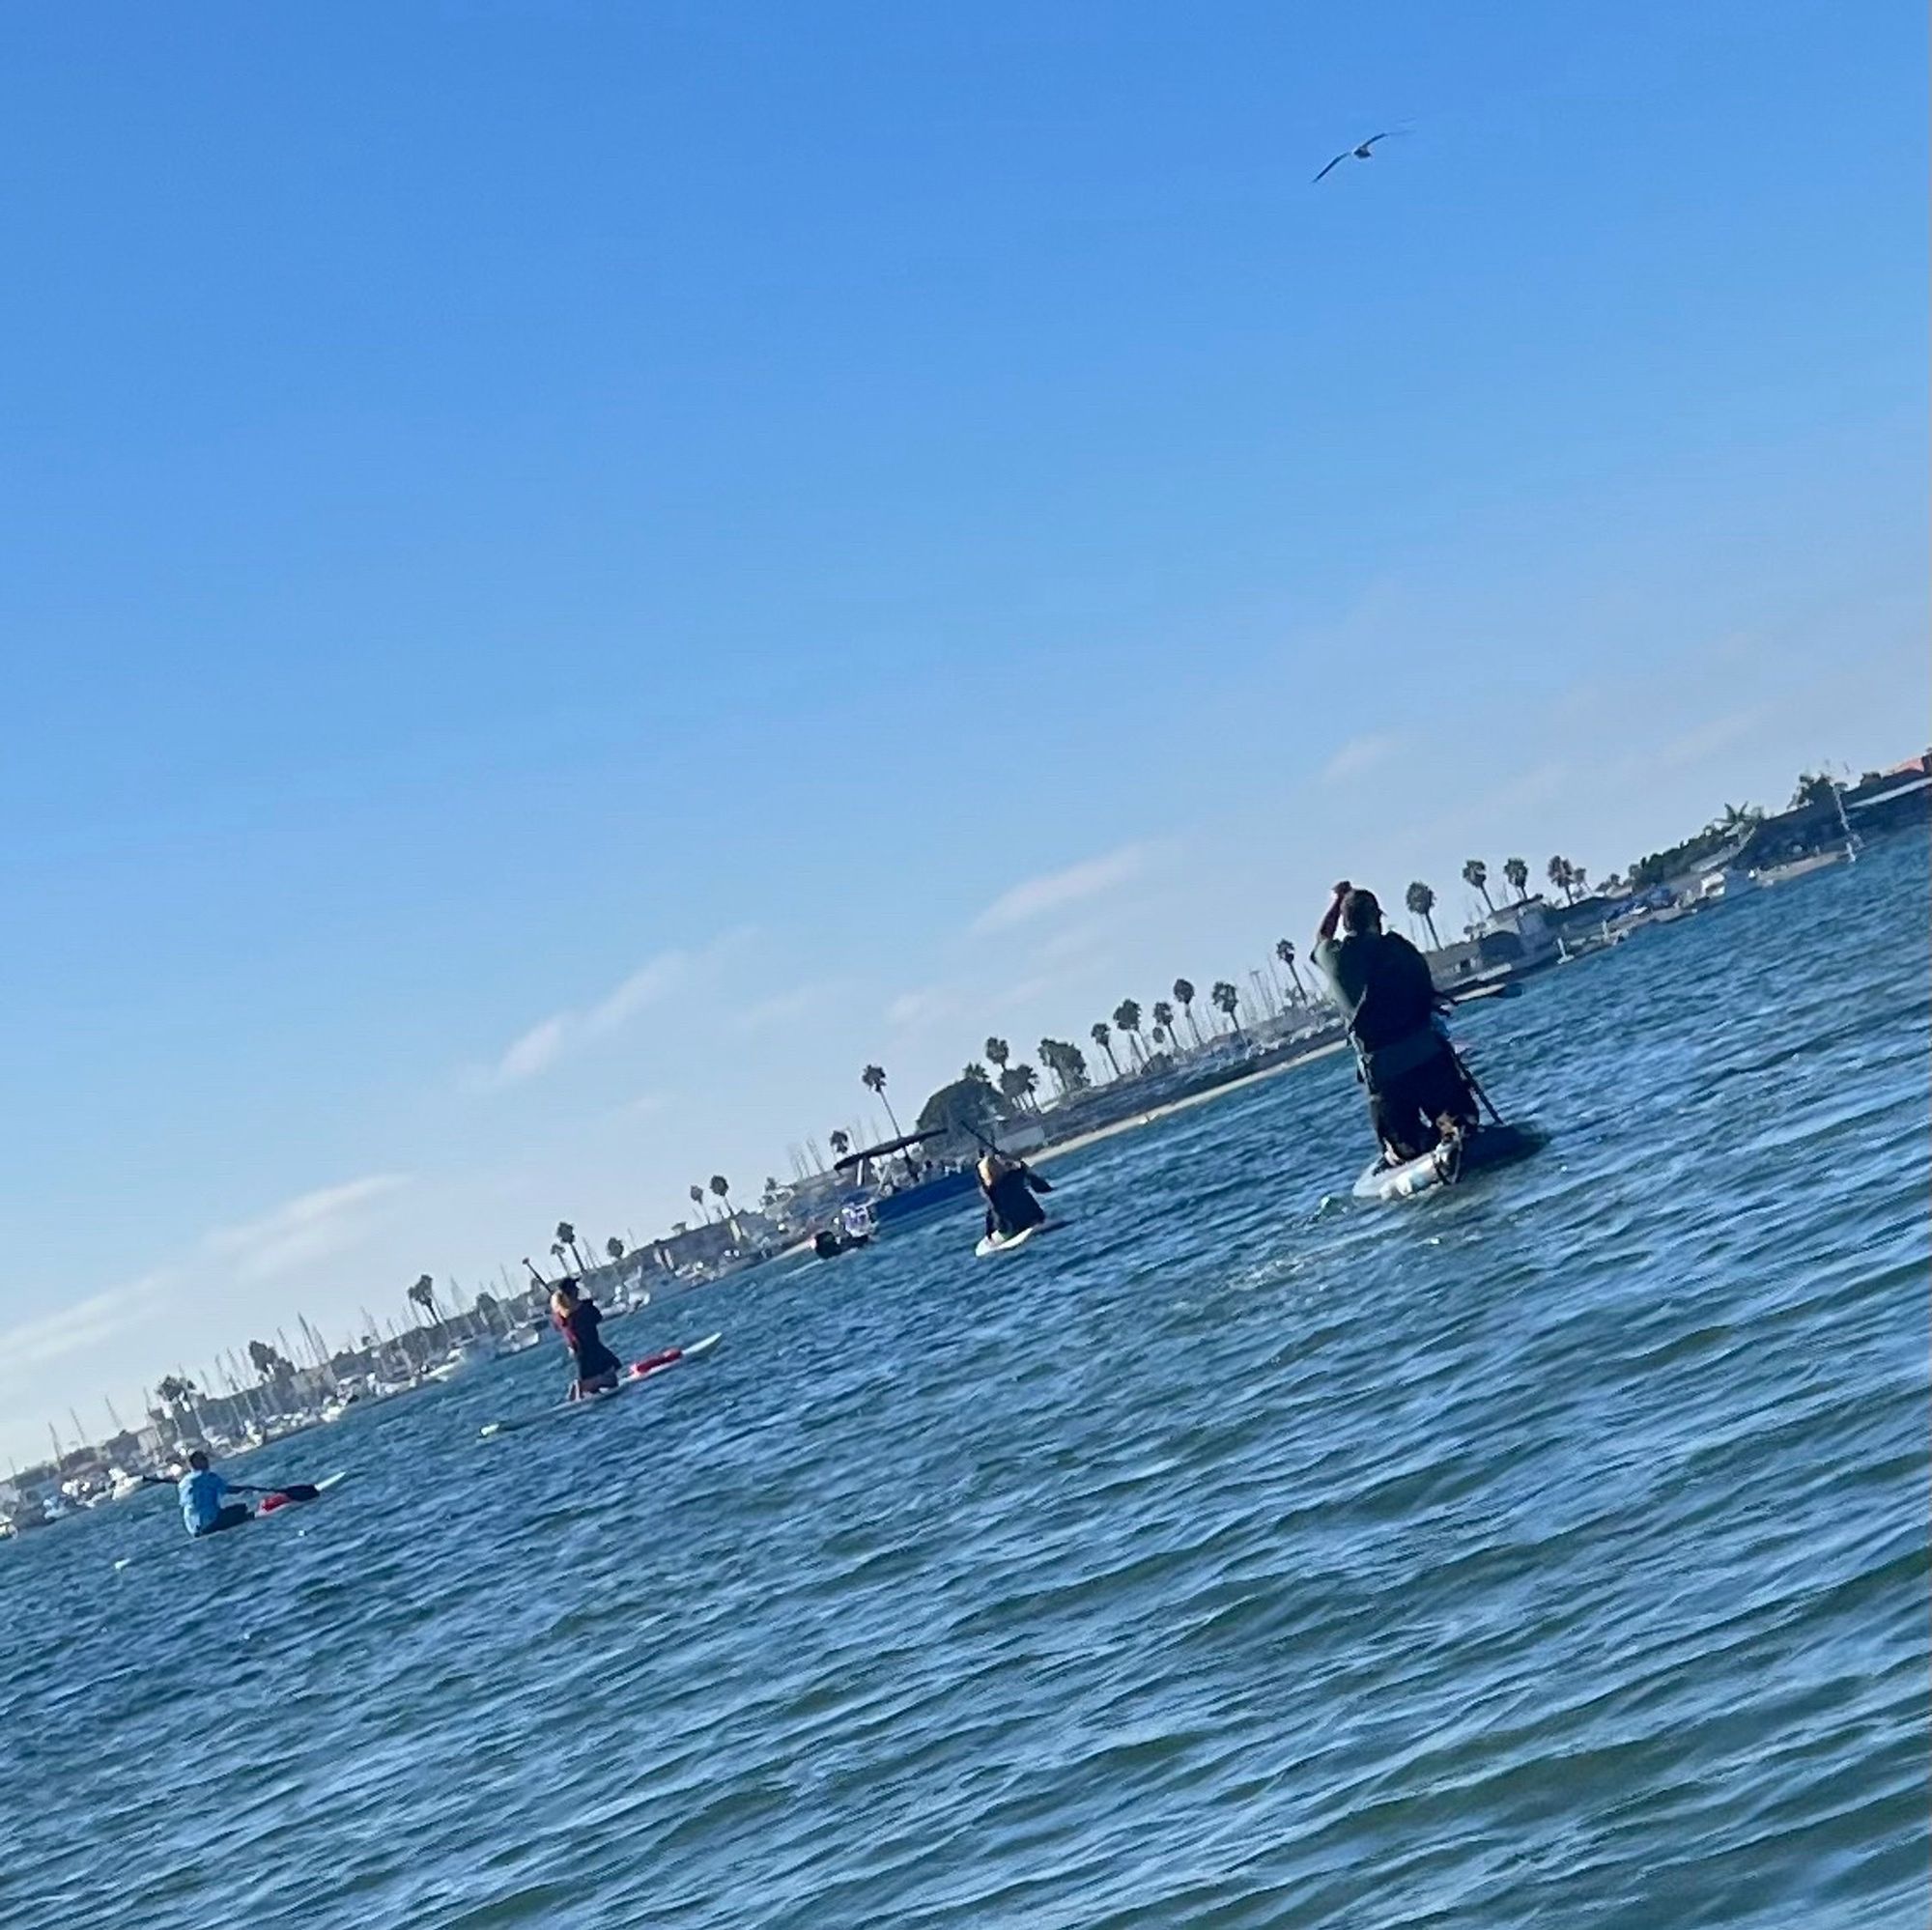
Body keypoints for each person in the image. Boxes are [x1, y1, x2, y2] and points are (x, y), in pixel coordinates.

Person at [1313, 880, 1479, 1163]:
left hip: (1386, 1073)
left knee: (1405, 1150)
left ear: (1345, 922)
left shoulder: (1336, 961)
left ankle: (1416, 1146)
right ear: (1377, 919)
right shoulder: (1400, 949)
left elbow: (1321, 937)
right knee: (1462, 1120)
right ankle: (1453, 1129)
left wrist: (1336, 900)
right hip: (1429, 1057)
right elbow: (1425, 992)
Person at [550, 1278, 623, 1398]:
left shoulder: (560, 1316)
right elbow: (597, 1317)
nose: (578, 1289)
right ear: (572, 1292)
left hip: (579, 1353)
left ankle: (582, 1387)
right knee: (611, 1376)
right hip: (593, 1348)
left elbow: (558, 1327)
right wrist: (588, 1304)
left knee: (603, 1379)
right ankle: (582, 1385)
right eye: (575, 1287)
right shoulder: (583, 1309)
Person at [977, 1149, 1053, 1241]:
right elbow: (1022, 1168)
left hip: (1010, 1228)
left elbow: (990, 1212)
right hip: (1034, 1218)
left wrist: (989, 1233)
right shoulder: (1014, 1176)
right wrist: (1009, 1159)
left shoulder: (990, 1191)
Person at [177, 1449, 252, 1539]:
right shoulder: (210, 1477)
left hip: (192, 1529)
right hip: (211, 1522)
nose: (207, 1461)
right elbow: (229, 1489)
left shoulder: (183, 1483)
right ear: (196, 1463)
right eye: (203, 1459)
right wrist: (246, 1488)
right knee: (242, 1508)